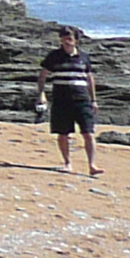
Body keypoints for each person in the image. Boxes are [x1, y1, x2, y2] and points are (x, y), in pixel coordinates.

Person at [40, 26, 101, 177]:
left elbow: (89, 78)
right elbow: (43, 75)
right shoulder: (54, 56)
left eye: (70, 39)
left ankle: (92, 165)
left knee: (88, 133)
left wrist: (93, 100)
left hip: (82, 99)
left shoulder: (84, 57)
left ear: (76, 40)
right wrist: (41, 94)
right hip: (61, 100)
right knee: (63, 133)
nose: (67, 42)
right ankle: (67, 163)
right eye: (64, 39)